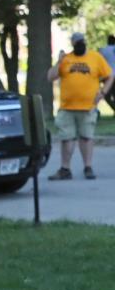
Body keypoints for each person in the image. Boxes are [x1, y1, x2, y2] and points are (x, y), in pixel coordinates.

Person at [47, 32, 113, 180]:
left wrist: (103, 92)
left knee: (86, 137)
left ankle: (88, 167)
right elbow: (50, 77)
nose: (79, 44)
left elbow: (110, 76)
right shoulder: (66, 59)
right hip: (67, 108)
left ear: (85, 42)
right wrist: (59, 62)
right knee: (66, 138)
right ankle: (65, 169)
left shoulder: (95, 58)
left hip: (88, 106)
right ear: (72, 44)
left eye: (81, 41)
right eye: (76, 42)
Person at [100, 35, 115, 113]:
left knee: (107, 95)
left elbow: (100, 63)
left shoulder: (104, 50)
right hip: (109, 75)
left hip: (108, 76)